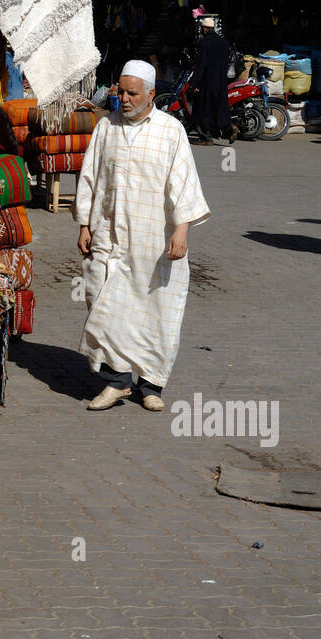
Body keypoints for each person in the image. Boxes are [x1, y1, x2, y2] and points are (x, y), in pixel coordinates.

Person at [73, 60, 210, 413]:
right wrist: (85, 225)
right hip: (109, 238)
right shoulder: (106, 128)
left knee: (155, 311)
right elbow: (89, 177)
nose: (125, 98)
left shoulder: (170, 130)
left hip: (155, 242)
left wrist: (182, 229)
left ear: (151, 94)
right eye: (121, 91)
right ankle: (117, 382)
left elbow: (183, 183)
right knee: (103, 302)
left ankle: (150, 385)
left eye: (133, 93)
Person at [190, 18, 236, 144]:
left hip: (206, 83)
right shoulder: (224, 43)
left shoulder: (205, 44)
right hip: (220, 82)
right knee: (219, 108)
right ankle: (229, 128)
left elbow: (201, 66)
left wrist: (196, 84)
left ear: (204, 28)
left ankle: (206, 138)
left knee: (201, 110)